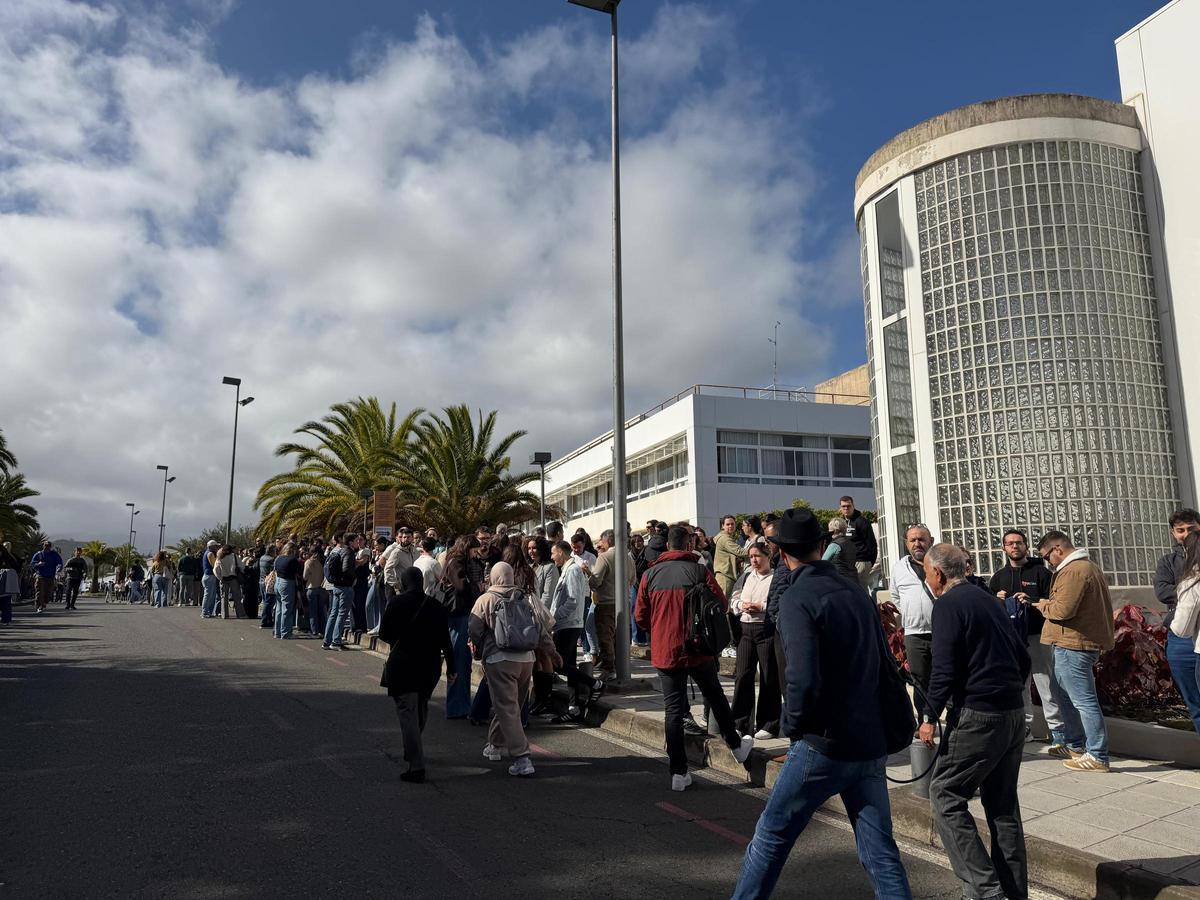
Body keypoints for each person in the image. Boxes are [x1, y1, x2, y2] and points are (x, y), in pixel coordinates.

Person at [732, 507, 911, 900]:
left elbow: (803, 676)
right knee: (880, 852)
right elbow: (883, 660)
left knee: (771, 837)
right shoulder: (855, 590)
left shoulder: (798, 596)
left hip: (823, 740)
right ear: (821, 545)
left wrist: (793, 726)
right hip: (868, 736)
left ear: (781, 553)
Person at [919, 544, 1031, 900]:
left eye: (927, 571)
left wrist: (928, 715)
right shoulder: (986, 599)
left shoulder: (949, 605)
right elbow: (1021, 656)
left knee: (945, 794)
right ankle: (1012, 892)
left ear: (938, 573)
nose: (926, 578)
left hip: (979, 714)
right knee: (1002, 806)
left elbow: (944, 669)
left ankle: (985, 890)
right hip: (1011, 710)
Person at [635, 525, 753, 791]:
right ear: (688, 545)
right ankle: (736, 746)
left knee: (673, 711)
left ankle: (678, 772)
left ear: (667, 546)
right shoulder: (700, 571)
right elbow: (721, 604)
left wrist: (661, 629)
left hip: (666, 651)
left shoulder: (650, 574)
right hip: (697, 648)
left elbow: (640, 616)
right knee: (716, 696)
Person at [1033, 531, 1116, 772]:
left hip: (1075, 644)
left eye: (1048, 556)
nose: (1049, 562)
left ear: (1057, 549)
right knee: (1067, 697)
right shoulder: (1083, 567)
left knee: (1083, 701)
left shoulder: (1074, 571)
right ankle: (1075, 745)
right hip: (1070, 642)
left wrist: (1042, 604)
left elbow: (1062, 610)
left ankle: (1098, 755)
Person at [468, 562, 560, 777]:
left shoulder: (486, 599)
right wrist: (552, 652)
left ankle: (522, 757)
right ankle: (496, 744)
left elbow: (473, 628)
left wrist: (479, 651)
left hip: (499, 659)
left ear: (492, 577)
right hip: (526, 659)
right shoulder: (525, 598)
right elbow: (540, 629)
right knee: (513, 706)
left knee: (506, 707)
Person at [379, 566, 457, 783]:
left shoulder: (396, 603)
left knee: (408, 714)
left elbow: (384, 633)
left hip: (403, 665)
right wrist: (452, 669)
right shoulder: (435, 606)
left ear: (403, 583)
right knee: (420, 709)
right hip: (429, 668)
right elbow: (446, 642)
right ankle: (413, 748)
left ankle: (416, 764)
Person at [989, 529, 1063, 744]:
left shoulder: (1041, 573)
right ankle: (1025, 729)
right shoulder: (999, 577)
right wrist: (997, 599)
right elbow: (989, 609)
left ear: (1026, 546)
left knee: (1046, 683)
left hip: (1038, 636)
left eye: (1019, 543)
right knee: (1019, 686)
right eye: (1010, 543)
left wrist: (1031, 600)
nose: (1014, 546)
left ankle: (1058, 732)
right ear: (1003, 548)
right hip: (1012, 640)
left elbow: (1056, 601)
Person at [544, 540, 604, 722]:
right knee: (568, 665)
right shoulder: (568, 570)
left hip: (569, 624)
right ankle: (574, 707)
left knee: (558, 664)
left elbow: (572, 601)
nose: (552, 557)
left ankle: (595, 683)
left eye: (553, 553)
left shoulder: (572, 570)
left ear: (561, 552)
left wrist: (554, 616)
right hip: (566, 624)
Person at [730, 541, 781, 740]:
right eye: (751, 556)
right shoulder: (745, 576)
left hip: (765, 629)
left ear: (768, 557)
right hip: (745, 629)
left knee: (769, 676)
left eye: (758, 556)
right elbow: (733, 599)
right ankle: (740, 722)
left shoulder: (775, 578)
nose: (754, 560)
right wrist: (742, 604)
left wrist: (760, 606)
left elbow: (777, 601)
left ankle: (769, 723)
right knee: (743, 675)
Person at [1155, 508, 1200, 735]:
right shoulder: (1169, 561)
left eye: (1191, 528)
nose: (1186, 534)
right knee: (1193, 699)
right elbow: (1162, 592)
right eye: (1180, 530)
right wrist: (1189, 591)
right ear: (1173, 533)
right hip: (1181, 635)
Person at [580, 528, 635, 682]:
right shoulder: (628, 557)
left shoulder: (604, 557)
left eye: (601, 541)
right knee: (620, 636)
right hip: (624, 601)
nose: (599, 544)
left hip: (606, 603)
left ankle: (609, 668)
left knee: (606, 637)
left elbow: (596, 581)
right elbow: (633, 580)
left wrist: (588, 575)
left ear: (607, 541)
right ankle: (620, 666)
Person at [889, 525, 935, 698]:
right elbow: (895, 595)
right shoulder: (899, 568)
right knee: (918, 680)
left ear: (931, 541)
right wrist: (911, 612)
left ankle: (953, 721)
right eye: (913, 540)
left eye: (921, 539)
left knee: (946, 678)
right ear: (906, 544)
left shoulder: (942, 563)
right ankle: (924, 721)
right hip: (914, 634)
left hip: (941, 632)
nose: (917, 544)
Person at [442, 535, 482, 718]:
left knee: (463, 661)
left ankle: (462, 704)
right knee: (459, 660)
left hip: (458, 614)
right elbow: (461, 587)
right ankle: (458, 706)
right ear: (467, 548)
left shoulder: (455, 560)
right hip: (458, 614)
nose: (476, 554)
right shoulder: (456, 562)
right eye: (474, 549)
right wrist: (478, 588)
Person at [323, 532, 359, 650]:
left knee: (334, 613)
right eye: (356, 540)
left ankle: (327, 641)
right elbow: (346, 569)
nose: (357, 542)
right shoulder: (349, 552)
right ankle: (336, 641)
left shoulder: (340, 551)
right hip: (345, 587)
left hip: (337, 586)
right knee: (342, 613)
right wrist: (353, 578)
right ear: (350, 542)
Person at [838, 496, 878, 591]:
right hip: (847, 562)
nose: (846, 508)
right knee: (850, 590)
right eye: (843, 506)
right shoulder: (842, 522)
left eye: (848, 506)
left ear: (853, 506)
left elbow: (871, 543)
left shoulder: (862, 521)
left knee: (860, 590)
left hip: (861, 561)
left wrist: (869, 561)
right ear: (840, 508)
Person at [272, 542, 302, 639]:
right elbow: (298, 571)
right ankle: (286, 632)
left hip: (278, 582)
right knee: (287, 609)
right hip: (287, 583)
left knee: (279, 608)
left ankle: (277, 632)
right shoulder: (293, 560)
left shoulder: (278, 558)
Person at [821, 517, 859, 584]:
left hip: (839, 580)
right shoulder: (851, 543)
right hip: (853, 579)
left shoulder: (834, 545)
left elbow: (823, 562)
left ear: (834, 530)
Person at [30, 540, 63, 613]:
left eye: (48, 546)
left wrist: (59, 568)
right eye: (45, 546)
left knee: (49, 593)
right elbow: (32, 564)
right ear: (43, 546)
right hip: (40, 576)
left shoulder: (54, 555)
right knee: (40, 591)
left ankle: (44, 603)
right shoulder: (38, 554)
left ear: (50, 547)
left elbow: (60, 563)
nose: (46, 547)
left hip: (50, 576)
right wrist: (38, 564)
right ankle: (39, 606)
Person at [303, 545, 328, 638]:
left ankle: (314, 630)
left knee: (313, 611)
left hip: (311, 587)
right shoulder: (323, 561)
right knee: (322, 610)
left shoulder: (308, 562)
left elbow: (305, 577)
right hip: (322, 588)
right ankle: (323, 629)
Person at [258, 543, 278, 628]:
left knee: (266, 601)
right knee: (269, 603)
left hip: (261, 581)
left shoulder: (262, 558)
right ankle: (265, 620)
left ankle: (268, 620)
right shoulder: (271, 560)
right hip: (268, 582)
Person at [201, 540, 220, 617]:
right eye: (215, 546)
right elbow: (214, 565)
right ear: (211, 547)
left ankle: (208, 611)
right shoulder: (210, 554)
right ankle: (205, 612)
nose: (216, 548)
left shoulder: (206, 553)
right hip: (210, 576)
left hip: (208, 576)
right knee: (208, 595)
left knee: (211, 595)